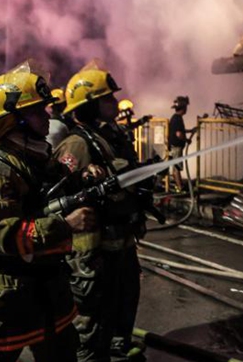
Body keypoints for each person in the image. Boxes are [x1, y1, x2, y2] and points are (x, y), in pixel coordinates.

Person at [0, 61, 95, 362]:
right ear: (13, 120)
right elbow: (3, 234)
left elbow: (53, 190)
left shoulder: (36, 161)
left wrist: (83, 177)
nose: (48, 115)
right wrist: (65, 225)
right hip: (5, 301)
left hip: (47, 294)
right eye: (37, 111)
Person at [51, 62, 145, 362]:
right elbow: (60, 193)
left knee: (124, 296)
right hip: (93, 247)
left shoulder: (108, 136)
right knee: (92, 313)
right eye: (107, 98)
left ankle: (117, 344)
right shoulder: (76, 145)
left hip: (120, 239)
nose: (115, 103)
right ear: (90, 105)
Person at [168, 96, 193, 193]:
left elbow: (178, 130)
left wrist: (190, 131)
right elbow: (178, 134)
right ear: (183, 108)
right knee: (177, 167)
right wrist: (187, 140)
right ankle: (180, 188)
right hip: (176, 147)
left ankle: (178, 186)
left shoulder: (175, 118)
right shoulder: (177, 119)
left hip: (173, 146)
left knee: (175, 167)